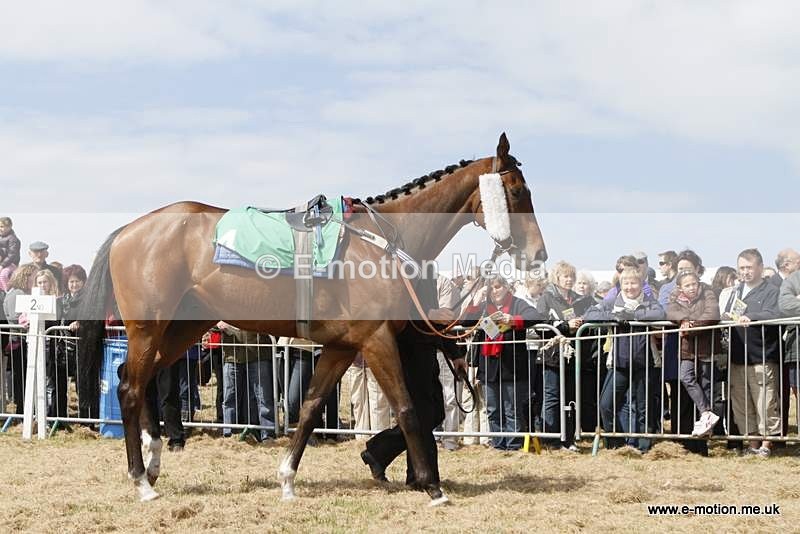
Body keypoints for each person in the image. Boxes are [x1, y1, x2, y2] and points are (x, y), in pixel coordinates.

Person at [360, 267, 466, 501]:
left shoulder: (426, 267)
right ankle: (421, 477)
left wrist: (455, 353)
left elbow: (434, 321)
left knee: (434, 412)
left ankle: (378, 451)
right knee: (423, 414)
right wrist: (429, 313)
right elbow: (395, 312)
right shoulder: (402, 267)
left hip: (426, 350)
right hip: (405, 351)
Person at [585, 268, 665, 452]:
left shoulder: (649, 301)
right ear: (621, 285)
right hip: (619, 362)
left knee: (644, 408)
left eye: (634, 283)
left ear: (641, 284)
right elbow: (590, 314)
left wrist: (633, 316)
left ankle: (643, 448)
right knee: (606, 404)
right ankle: (616, 445)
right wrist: (613, 317)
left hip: (645, 362)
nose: (630, 287)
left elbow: (660, 315)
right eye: (626, 283)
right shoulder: (613, 302)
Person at [465, 275, 544, 450]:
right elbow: (465, 321)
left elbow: (535, 316)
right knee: (492, 409)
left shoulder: (517, 303)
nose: (495, 290)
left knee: (512, 409)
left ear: (507, 287)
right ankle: (498, 445)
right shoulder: (485, 307)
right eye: (492, 288)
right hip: (490, 366)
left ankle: (513, 445)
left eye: (499, 286)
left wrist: (513, 320)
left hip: (512, 365)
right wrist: (476, 301)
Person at [723, 248, 781, 457]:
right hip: (738, 356)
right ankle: (753, 444)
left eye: (749, 267)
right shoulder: (736, 291)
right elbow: (729, 313)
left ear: (760, 267)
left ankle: (767, 445)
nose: (745, 272)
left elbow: (774, 313)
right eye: (741, 268)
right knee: (742, 402)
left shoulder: (771, 290)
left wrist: (752, 317)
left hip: (762, 356)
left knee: (765, 402)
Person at [536, 261, 593, 451]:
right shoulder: (546, 298)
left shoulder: (580, 299)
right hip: (552, 355)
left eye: (571, 276)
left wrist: (581, 323)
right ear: (557, 277)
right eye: (565, 276)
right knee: (552, 397)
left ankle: (569, 438)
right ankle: (551, 439)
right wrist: (565, 326)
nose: (569, 280)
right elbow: (541, 326)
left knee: (571, 397)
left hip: (574, 355)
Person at [665, 271, 721, 437]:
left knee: (707, 384)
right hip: (687, 349)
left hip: (706, 347)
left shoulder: (708, 294)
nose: (691, 288)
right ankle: (706, 413)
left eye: (694, 284)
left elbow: (712, 314)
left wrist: (691, 327)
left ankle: (708, 422)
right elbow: (670, 312)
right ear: (680, 287)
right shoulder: (676, 297)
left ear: (699, 283)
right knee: (685, 376)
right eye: (687, 285)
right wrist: (683, 320)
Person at [220, 324, 276, 441]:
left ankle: (267, 434)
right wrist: (219, 324)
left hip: (258, 353)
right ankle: (228, 435)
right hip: (232, 355)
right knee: (229, 397)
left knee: (264, 397)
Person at [2, 264, 38, 416]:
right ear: (26, 276)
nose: (35, 280)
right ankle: (21, 409)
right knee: (21, 377)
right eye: (33, 276)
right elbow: (13, 317)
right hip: (19, 341)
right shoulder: (17, 294)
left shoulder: (26, 293)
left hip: (25, 340)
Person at [346, 353, 391, 440]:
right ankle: (361, 438)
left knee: (378, 404)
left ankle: (380, 438)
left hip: (376, 361)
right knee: (359, 403)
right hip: (354, 362)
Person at [0, 217, 21, 292]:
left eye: (2, 227)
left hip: (11, 264)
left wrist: (2, 265)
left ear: (9, 227)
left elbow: (12, 254)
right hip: (3, 262)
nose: (0, 229)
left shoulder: (13, 239)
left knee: (3, 275)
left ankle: (7, 291)